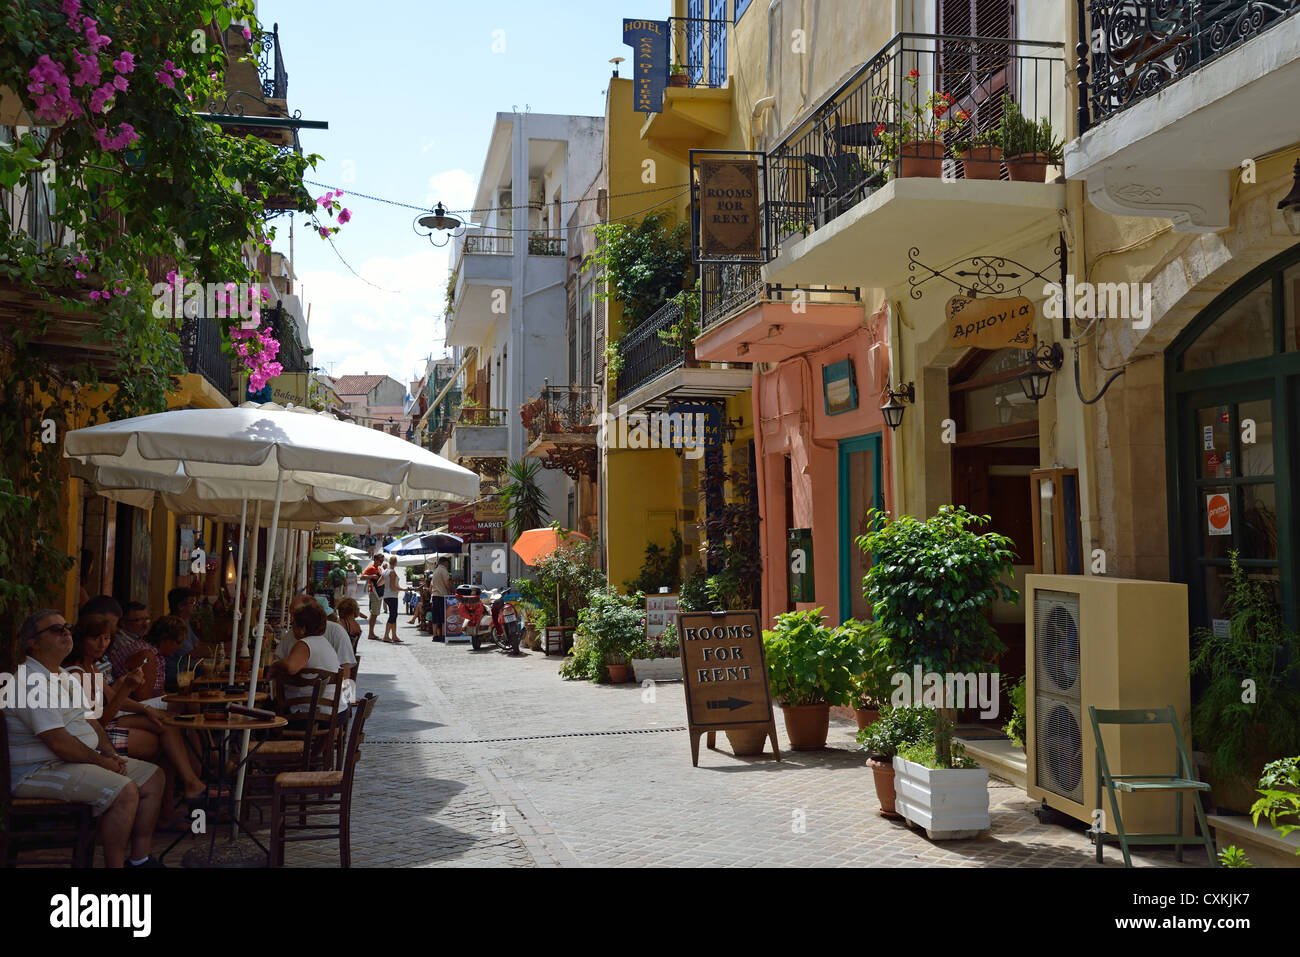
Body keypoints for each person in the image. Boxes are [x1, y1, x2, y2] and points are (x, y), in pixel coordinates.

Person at [7, 609, 166, 867]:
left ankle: (140, 860)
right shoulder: (30, 682)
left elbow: (91, 722)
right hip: (39, 770)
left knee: (152, 778)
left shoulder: (63, 676)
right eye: (56, 629)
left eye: (66, 627)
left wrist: (110, 753)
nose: (66, 632)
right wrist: (102, 763)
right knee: (123, 791)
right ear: (32, 643)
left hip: (73, 761)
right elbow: (59, 742)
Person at [64, 618, 205, 822]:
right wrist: (128, 689)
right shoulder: (78, 673)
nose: (102, 644)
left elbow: (113, 698)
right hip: (93, 739)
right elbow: (99, 722)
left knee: (166, 723)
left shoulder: (92, 668)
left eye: (106, 638)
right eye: (95, 638)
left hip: (104, 726)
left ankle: (182, 794)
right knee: (165, 739)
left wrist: (147, 709)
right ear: (81, 640)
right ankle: (187, 789)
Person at [268, 601, 345, 716]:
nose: (291, 628)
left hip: (311, 712)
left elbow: (291, 667)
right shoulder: (322, 642)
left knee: (265, 710)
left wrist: (275, 665)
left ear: (302, 628)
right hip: (333, 711)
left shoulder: (305, 644)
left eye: (293, 624)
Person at [279, 594, 355, 678]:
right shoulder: (293, 634)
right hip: (298, 688)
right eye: (291, 614)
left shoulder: (335, 631)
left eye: (296, 614)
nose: (291, 619)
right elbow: (278, 657)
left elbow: (345, 668)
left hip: (314, 689)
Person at [164, 587, 199, 686]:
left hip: (191, 672)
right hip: (177, 678)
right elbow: (193, 653)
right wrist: (219, 648)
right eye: (192, 602)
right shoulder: (173, 626)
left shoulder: (185, 622)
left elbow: (197, 644)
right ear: (181, 606)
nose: (195, 606)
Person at [360, 553, 384, 641]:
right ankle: (370, 633)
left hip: (378, 593)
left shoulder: (379, 568)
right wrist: (371, 576)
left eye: (382, 560)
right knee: (374, 613)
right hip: (374, 593)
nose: (381, 562)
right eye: (380, 560)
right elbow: (362, 577)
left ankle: (372, 633)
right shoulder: (371, 568)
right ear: (375, 560)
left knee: (375, 613)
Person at [428, 557, 452, 640]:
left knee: (435, 617)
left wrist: (433, 592)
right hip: (442, 596)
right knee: (443, 617)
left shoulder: (435, 571)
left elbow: (430, 587)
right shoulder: (444, 570)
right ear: (444, 563)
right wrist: (452, 590)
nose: (448, 565)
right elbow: (447, 584)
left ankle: (435, 635)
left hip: (434, 596)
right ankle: (443, 635)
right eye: (448, 563)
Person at [382, 557, 403, 644]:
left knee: (393, 615)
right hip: (392, 596)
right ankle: (386, 636)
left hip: (386, 596)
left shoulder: (385, 571)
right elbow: (393, 587)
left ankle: (394, 636)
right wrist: (403, 589)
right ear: (396, 562)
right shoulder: (392, 572)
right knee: (393, 615)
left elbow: (379, 582)